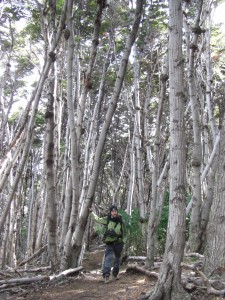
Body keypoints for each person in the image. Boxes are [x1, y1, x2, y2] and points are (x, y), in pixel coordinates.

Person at [89, 204, 125, 284]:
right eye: (113, 211)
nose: (114, 213)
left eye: (115, 211)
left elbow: (123, 232)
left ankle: (115, 274)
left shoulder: (120, 220)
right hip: (109, 242)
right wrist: (91, 212)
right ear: (110, 212)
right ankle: (106, 276)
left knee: (117, 259)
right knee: (108, 258)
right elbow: (98, 219)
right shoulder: (107, 219)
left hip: (118, 242)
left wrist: (123, 241)